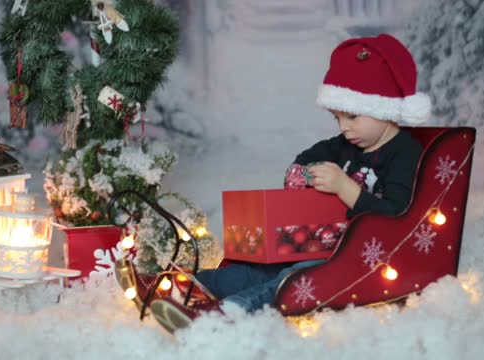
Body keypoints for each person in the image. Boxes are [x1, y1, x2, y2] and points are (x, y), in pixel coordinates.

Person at [145, 33, 432, 334]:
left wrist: (345, 188)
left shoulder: (405, 152)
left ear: (384, 107)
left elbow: (396, 217)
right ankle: (177, 286)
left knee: (291, 278)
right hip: (322, 243)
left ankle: (224, 314)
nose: (344, 127)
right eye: (337, 118)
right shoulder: (346, 144)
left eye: (352, 116)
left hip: (359, 259)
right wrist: (302, 172)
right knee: (257, 269)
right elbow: (309, 156)